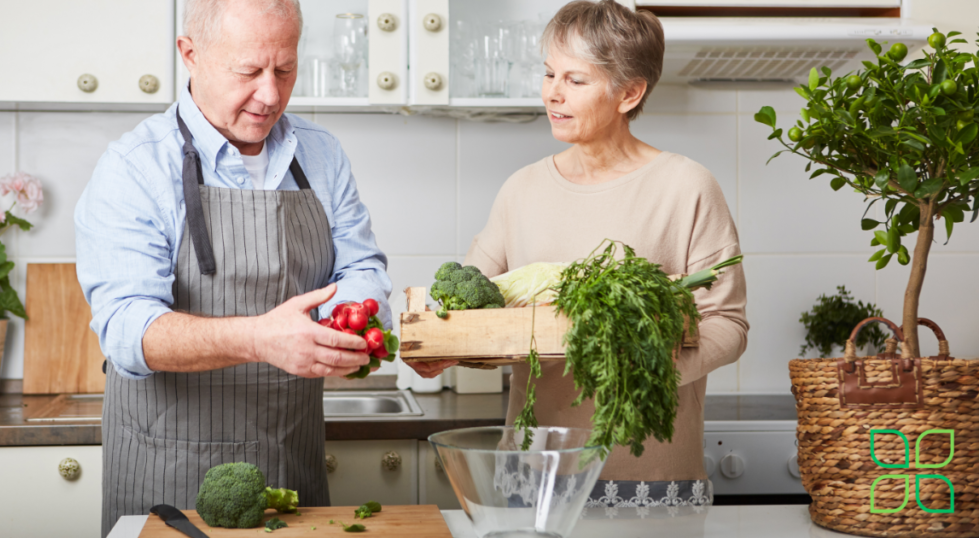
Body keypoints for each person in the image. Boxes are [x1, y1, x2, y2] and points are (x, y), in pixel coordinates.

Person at [408, 0, 748, 514]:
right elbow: (471, 305)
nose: (552, 92)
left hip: (650, 471)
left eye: (575, 80)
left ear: (629, 93)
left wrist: (640, 370)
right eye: (548, 73)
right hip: (535, 471)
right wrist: (446, 346)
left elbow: (728, 324)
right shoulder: (520, 190)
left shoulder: (686, 186)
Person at [74, 0, 391, 534]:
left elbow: (362, 269)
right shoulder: (133, 168)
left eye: (285, 69)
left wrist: (350, 327)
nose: (270, 95)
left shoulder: (321, 154)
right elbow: (127, 330)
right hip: (169, 477)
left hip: (293, 466)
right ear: (190, 55)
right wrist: (260, 339)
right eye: (248, 71)